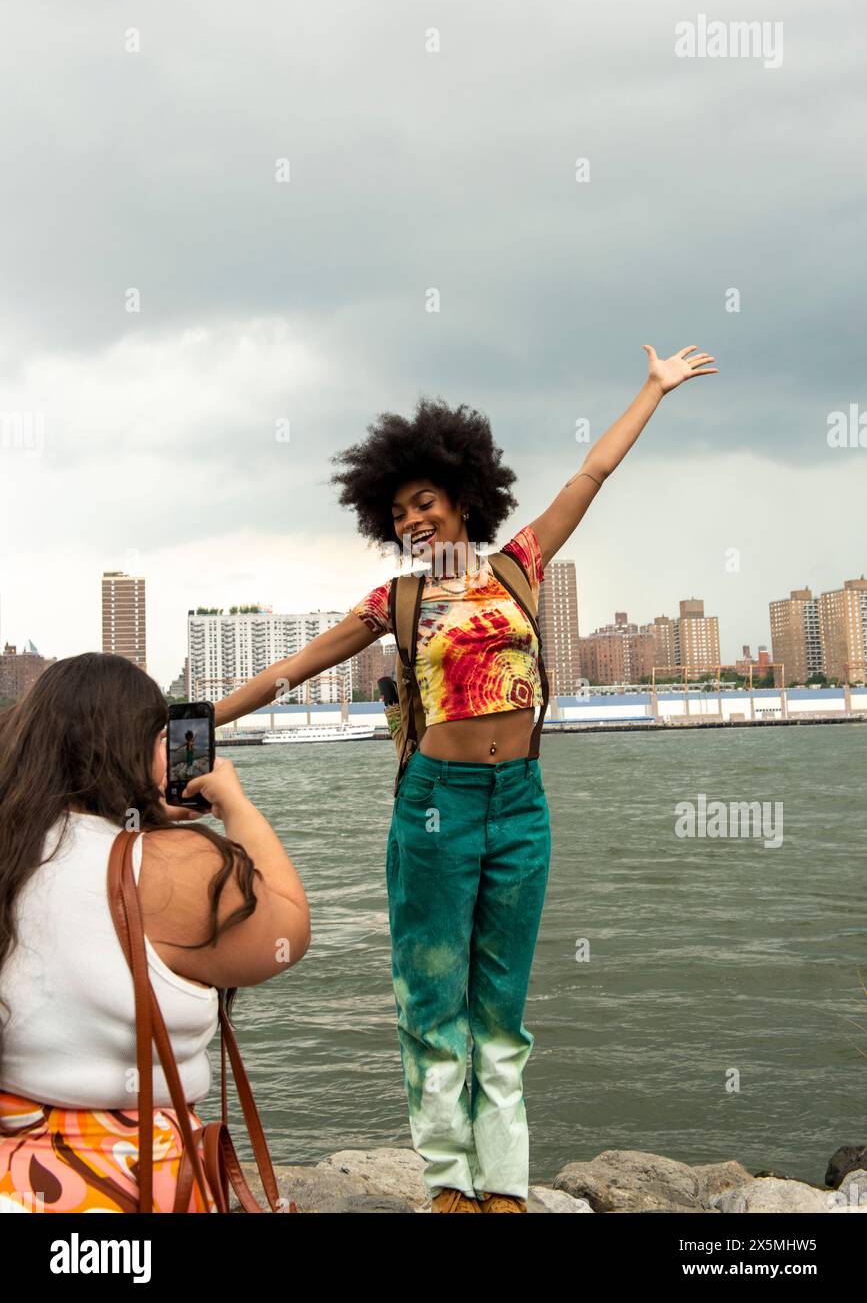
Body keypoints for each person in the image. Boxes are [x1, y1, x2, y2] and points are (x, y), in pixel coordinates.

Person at [212, 343, 718, 1213]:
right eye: (399, 509)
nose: (414, 518)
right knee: (431, 991)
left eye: (427, 501)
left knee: (502, 1006)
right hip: (434, 810)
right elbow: (288, 671)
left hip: (520, 804)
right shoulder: (394, 604)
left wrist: (652, 390)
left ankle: (506, 1186)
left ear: (460, 500)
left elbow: (590, 476)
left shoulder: (519, 566)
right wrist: (192, 720)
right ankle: (449, 1180)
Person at [0, 652, 310, 1213]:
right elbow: (288, 928)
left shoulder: (11, 853)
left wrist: (146, 820)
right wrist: (234, 806)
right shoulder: (178, 866)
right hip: (136, 1178)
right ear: (137, 746)